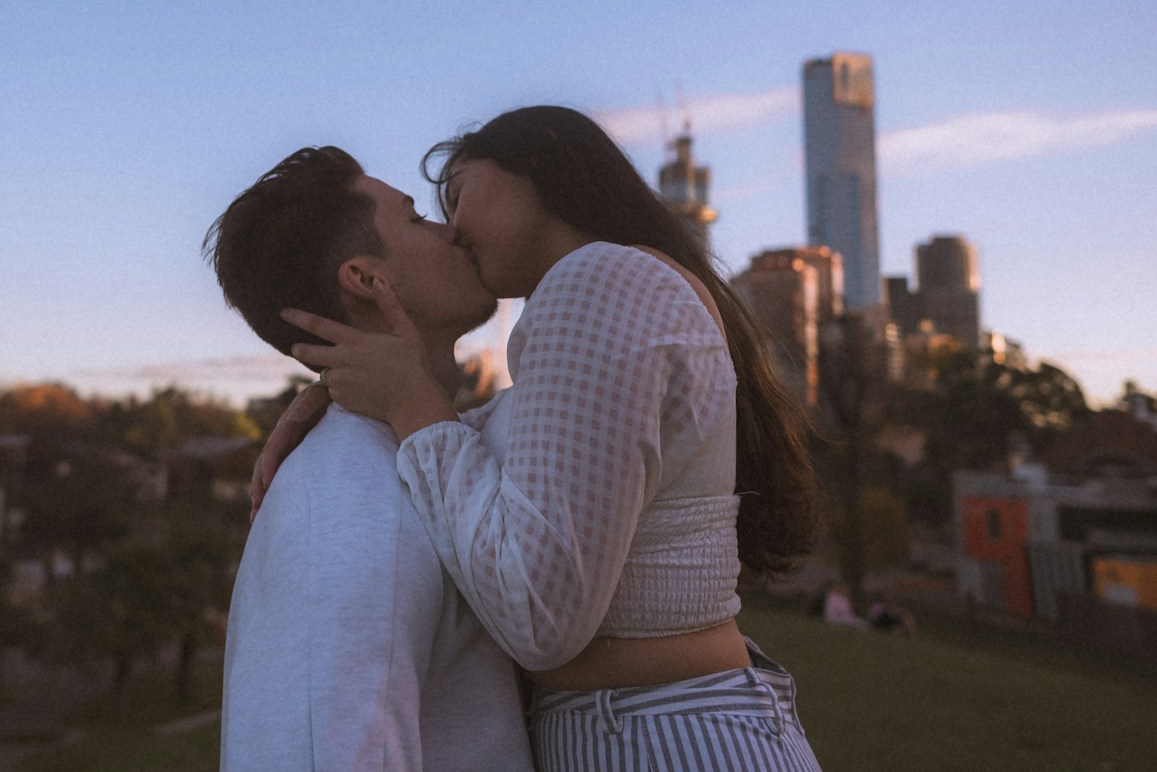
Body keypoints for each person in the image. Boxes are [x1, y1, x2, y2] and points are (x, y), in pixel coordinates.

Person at [276, 105, 826, 771]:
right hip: (659, 728)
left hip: (662, 736)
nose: (451, 232)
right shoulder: (621, 289)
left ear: (541, 164)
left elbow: (539, 613)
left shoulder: (597, 280)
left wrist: (412, 406)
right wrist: (349, 400)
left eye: (457, 196)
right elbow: (527, 455)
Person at [204, 146, 533, 772]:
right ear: (367, 280)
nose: (453, 229)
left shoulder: (426, 454)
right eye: (414, 219)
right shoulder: (348, 505)